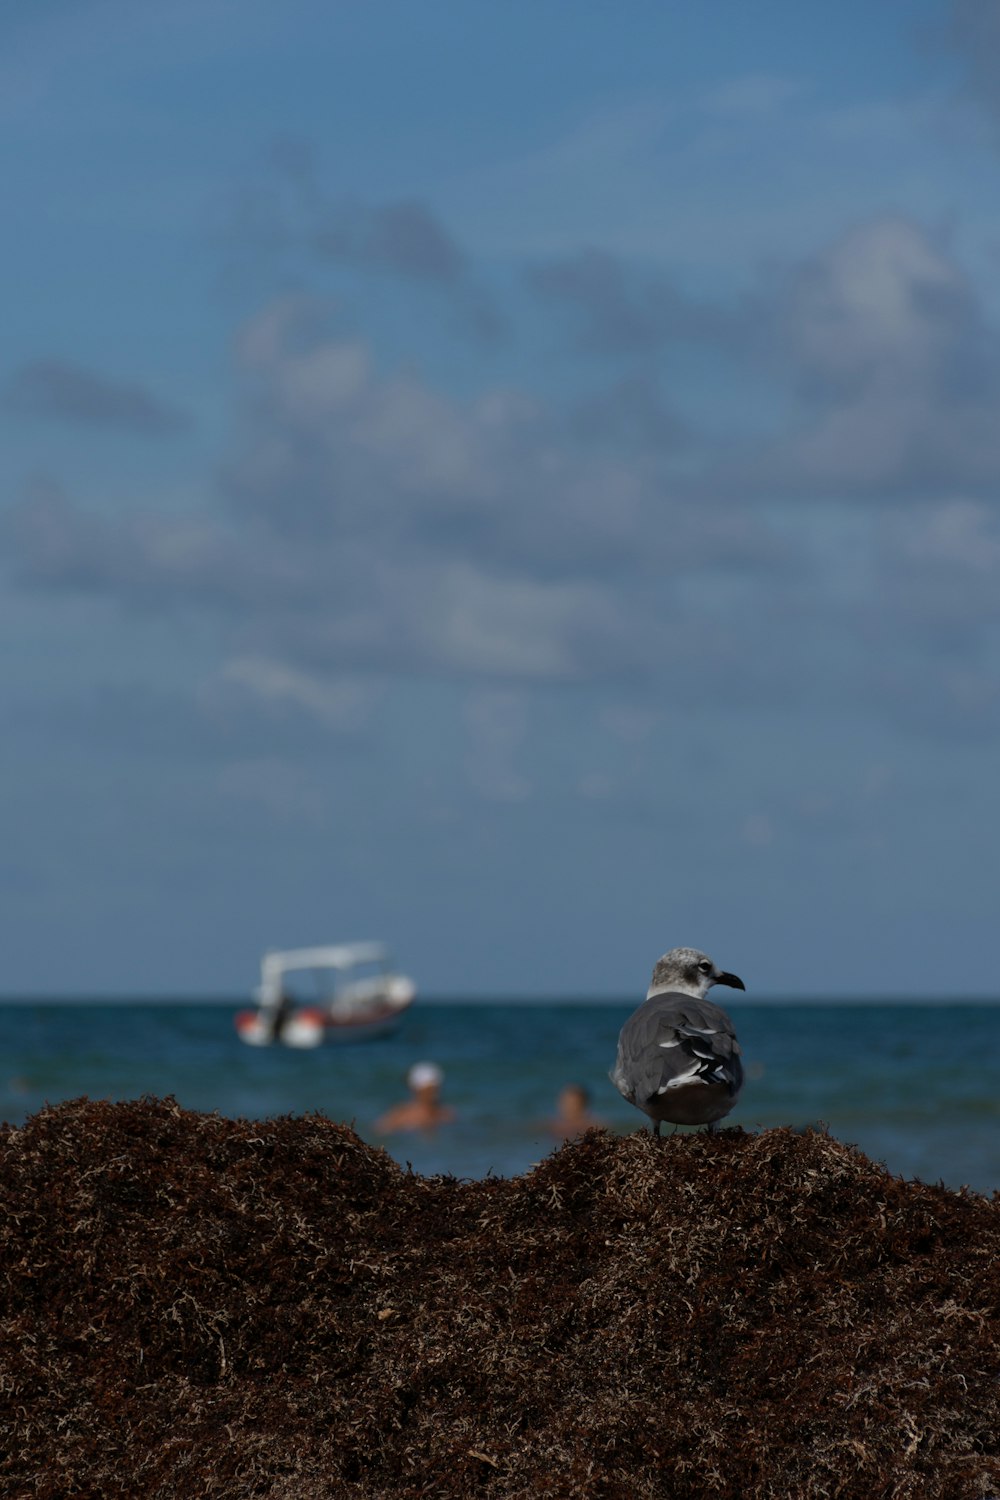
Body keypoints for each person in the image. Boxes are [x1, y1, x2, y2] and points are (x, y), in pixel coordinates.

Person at [375, 1061, 456, 1134]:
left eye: (436, 1088)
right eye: (429, 1089)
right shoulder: (401, 1115)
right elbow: (378, 1131)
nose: (434, 1093)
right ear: (416, 1090)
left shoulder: (446, 1114)